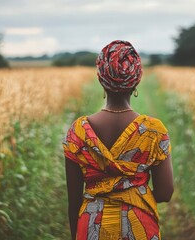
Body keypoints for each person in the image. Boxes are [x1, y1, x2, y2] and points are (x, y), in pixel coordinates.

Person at [63, 40, 174, 240]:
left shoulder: (77, 132)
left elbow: (74, 201)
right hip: (140, 226)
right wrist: (133, 196)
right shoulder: (154, 131)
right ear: (137, 81)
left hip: (92, 228)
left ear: (101, 80)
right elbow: (165, 193)